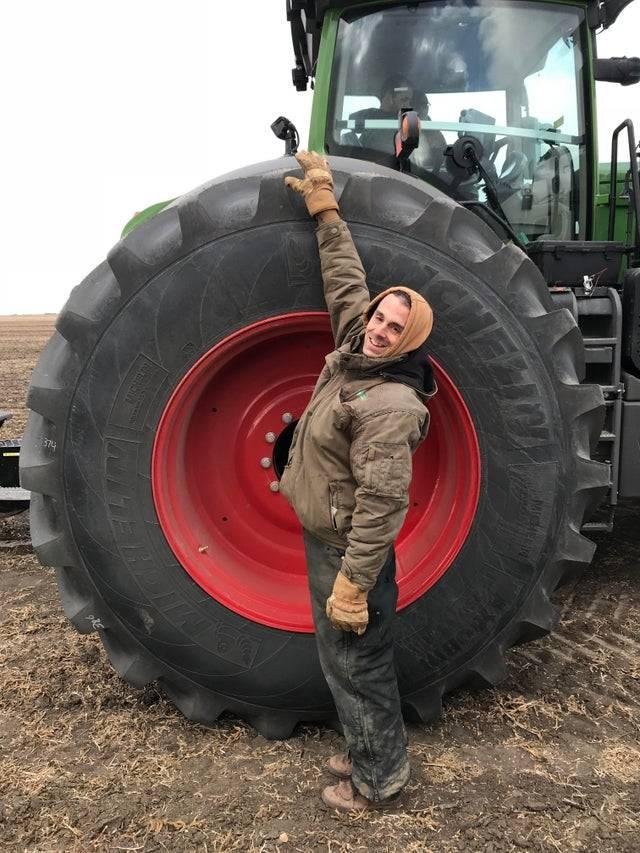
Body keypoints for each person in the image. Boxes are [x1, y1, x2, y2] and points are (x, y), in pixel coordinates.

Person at [280, 151, 436, 812]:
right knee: (344, 661)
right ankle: (366, 744)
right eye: (379, 317)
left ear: (410, 341)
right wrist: (326, 207)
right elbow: (347, 279)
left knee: (357, 660)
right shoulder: (356, 351)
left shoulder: (393, 405)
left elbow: (382, 502)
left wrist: (354, 582)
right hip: (330, 540)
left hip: (351, 550)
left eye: (394, 328)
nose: (378, 329)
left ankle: (379, 778)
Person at [348, 74, 446, 171]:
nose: (408, 105)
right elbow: (350, 122)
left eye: (410, 101)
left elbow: (420, 159)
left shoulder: (409, 119)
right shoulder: (370, 116)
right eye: (404, 99)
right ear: (389, 98)